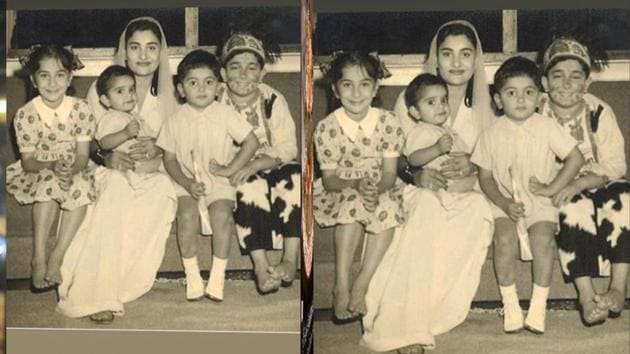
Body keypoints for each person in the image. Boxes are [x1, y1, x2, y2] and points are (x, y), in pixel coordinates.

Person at [361, 20, 494, 354]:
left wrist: (474, 167)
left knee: (478, 210)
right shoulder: (413, 97)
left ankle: (431, 313)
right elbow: (394, 155)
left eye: (466, 54)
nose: (457, 63)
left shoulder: (485, 105)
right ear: (435, 58)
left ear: (476, 59)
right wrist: (414, 175)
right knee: (426, 207)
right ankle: (401, 323)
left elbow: (493, 158)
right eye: (447, 54)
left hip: (463, 190)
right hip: (418, 188)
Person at [56, 17, 178, 323]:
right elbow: (86, 141)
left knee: (163, 189)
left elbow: (175, 142)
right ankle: (93, 292)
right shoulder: (103, 89)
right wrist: (105, 157)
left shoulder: (168, 96)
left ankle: (121, 281)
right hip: (108, 169)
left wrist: (158, 149)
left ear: (161, 52)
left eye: (152, 47)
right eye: (135, 47)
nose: (143, 55)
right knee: (115, 187)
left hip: (149, 171)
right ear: (124, 51)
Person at [471, 56, 584, 334]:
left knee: (543, 240)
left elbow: (575, 158)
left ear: (539, 98)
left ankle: (537, 306)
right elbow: (484, 178)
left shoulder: (546, 127)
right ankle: (510, 304)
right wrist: (504, 203)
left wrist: (552, 188)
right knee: (504, 239)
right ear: (498, 100)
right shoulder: (490, 135)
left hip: (539, 202)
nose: (520, 100)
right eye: (511, 93)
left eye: (528, 92)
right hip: (504, 203)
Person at [538, 37, 630, 326]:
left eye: (575, 76)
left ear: (587, 83)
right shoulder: (535, 112)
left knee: (625, 198)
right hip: (558, 184)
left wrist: (583, 181)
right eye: (557, 75)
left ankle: (618, 287)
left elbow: (617, 164)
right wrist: (565, 185)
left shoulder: (598, 111)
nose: (566, 83)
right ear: (544, 82)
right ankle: (586, 294)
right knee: (572, 207)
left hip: (600, 179)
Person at [158, 49, 259, 302]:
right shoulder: (174, 121)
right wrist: (186, 183)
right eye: (193, 83)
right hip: (186, 182)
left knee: (222, 215)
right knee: (187, 215)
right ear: (181, 89)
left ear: (218, 88)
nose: (202, 89)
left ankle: (217, 276)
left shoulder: (225, 114)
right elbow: (169, 160)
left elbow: (251, 142)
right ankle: (192, 275)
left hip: (219, 182)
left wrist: (229, 169)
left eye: (209, 82)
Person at [314, 51, 404, 323]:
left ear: (376, 87)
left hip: (381, 184)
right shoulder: (327, 128)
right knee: (352, 206)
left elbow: (390, 172)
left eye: (364, 84)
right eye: (347, 84)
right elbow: (330, 180)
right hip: (341, 186)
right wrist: (354, 183)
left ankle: (362, 283)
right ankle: (341, 283)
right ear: (335, 89)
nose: (356, 93)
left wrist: (375, 190)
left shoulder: (388, 122)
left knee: (386, 207)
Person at [216, 32, 301, 295]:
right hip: (236, 166)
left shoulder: (272, 99)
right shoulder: (215, 100)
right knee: (248, 186)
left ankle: (290, 258)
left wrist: (258, 163)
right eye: (235, 67)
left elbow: (289, 147)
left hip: (272, 162)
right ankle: (261, 265)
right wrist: (242, 167)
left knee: (295, 178)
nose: (243, 74)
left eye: (251, 67)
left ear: (262, 74)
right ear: (222, 72)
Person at [6, 45, 95, 290]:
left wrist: (71, 169)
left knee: (82, 187)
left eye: (59, 75)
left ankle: (57, 256)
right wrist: (53, 165)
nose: (52, 83)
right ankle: (39, 257)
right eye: (44, 75)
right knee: (48, 183)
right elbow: (28, 162)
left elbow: (82, 155)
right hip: (39, 167)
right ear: (34, 80)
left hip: (74, 165)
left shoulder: (81, 110)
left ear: (69, 78)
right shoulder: (25, 115)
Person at [403, 73, 477, 201]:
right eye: (431, 102)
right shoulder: (420, 131)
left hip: (458, 180)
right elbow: (413, 159)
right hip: (442, 184)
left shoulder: (448, 130)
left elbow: (466, 152)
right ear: (415, 112)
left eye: (443, 100)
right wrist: (436, 149)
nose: (441, 106)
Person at [94, 65, 161, 176]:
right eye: (120, 91)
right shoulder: (110, 118)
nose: (129, 94)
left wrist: (155, 141)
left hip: (144, 163)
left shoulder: (134, 116)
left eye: (131, 89)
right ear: (106, 100)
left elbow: (150, 135)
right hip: (125, 167)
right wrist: (125, 133)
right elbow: (104, 143)